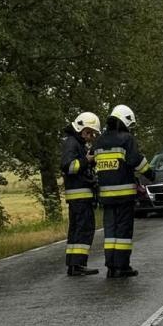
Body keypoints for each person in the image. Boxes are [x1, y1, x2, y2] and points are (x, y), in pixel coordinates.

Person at [93, 103, 155, 278]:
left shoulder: (100, 140)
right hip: (124, 195)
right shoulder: (126, 139)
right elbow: (136, 160)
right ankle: (122, 267)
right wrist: (150, 173)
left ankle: (111, 267)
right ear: (125, 120)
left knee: (110, 232)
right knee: (123, 233)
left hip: (106, 196)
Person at [61, 111, 102, 276]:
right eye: (89, 132)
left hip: (78, 195)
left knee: (76, 230)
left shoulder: (74, 143)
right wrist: (87, 161)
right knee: (84, 229)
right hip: (80, 195)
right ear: (81, 129)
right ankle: (78, 265)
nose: (91, 137)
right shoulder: (72, 143)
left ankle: (73, 265)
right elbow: (68, 166)